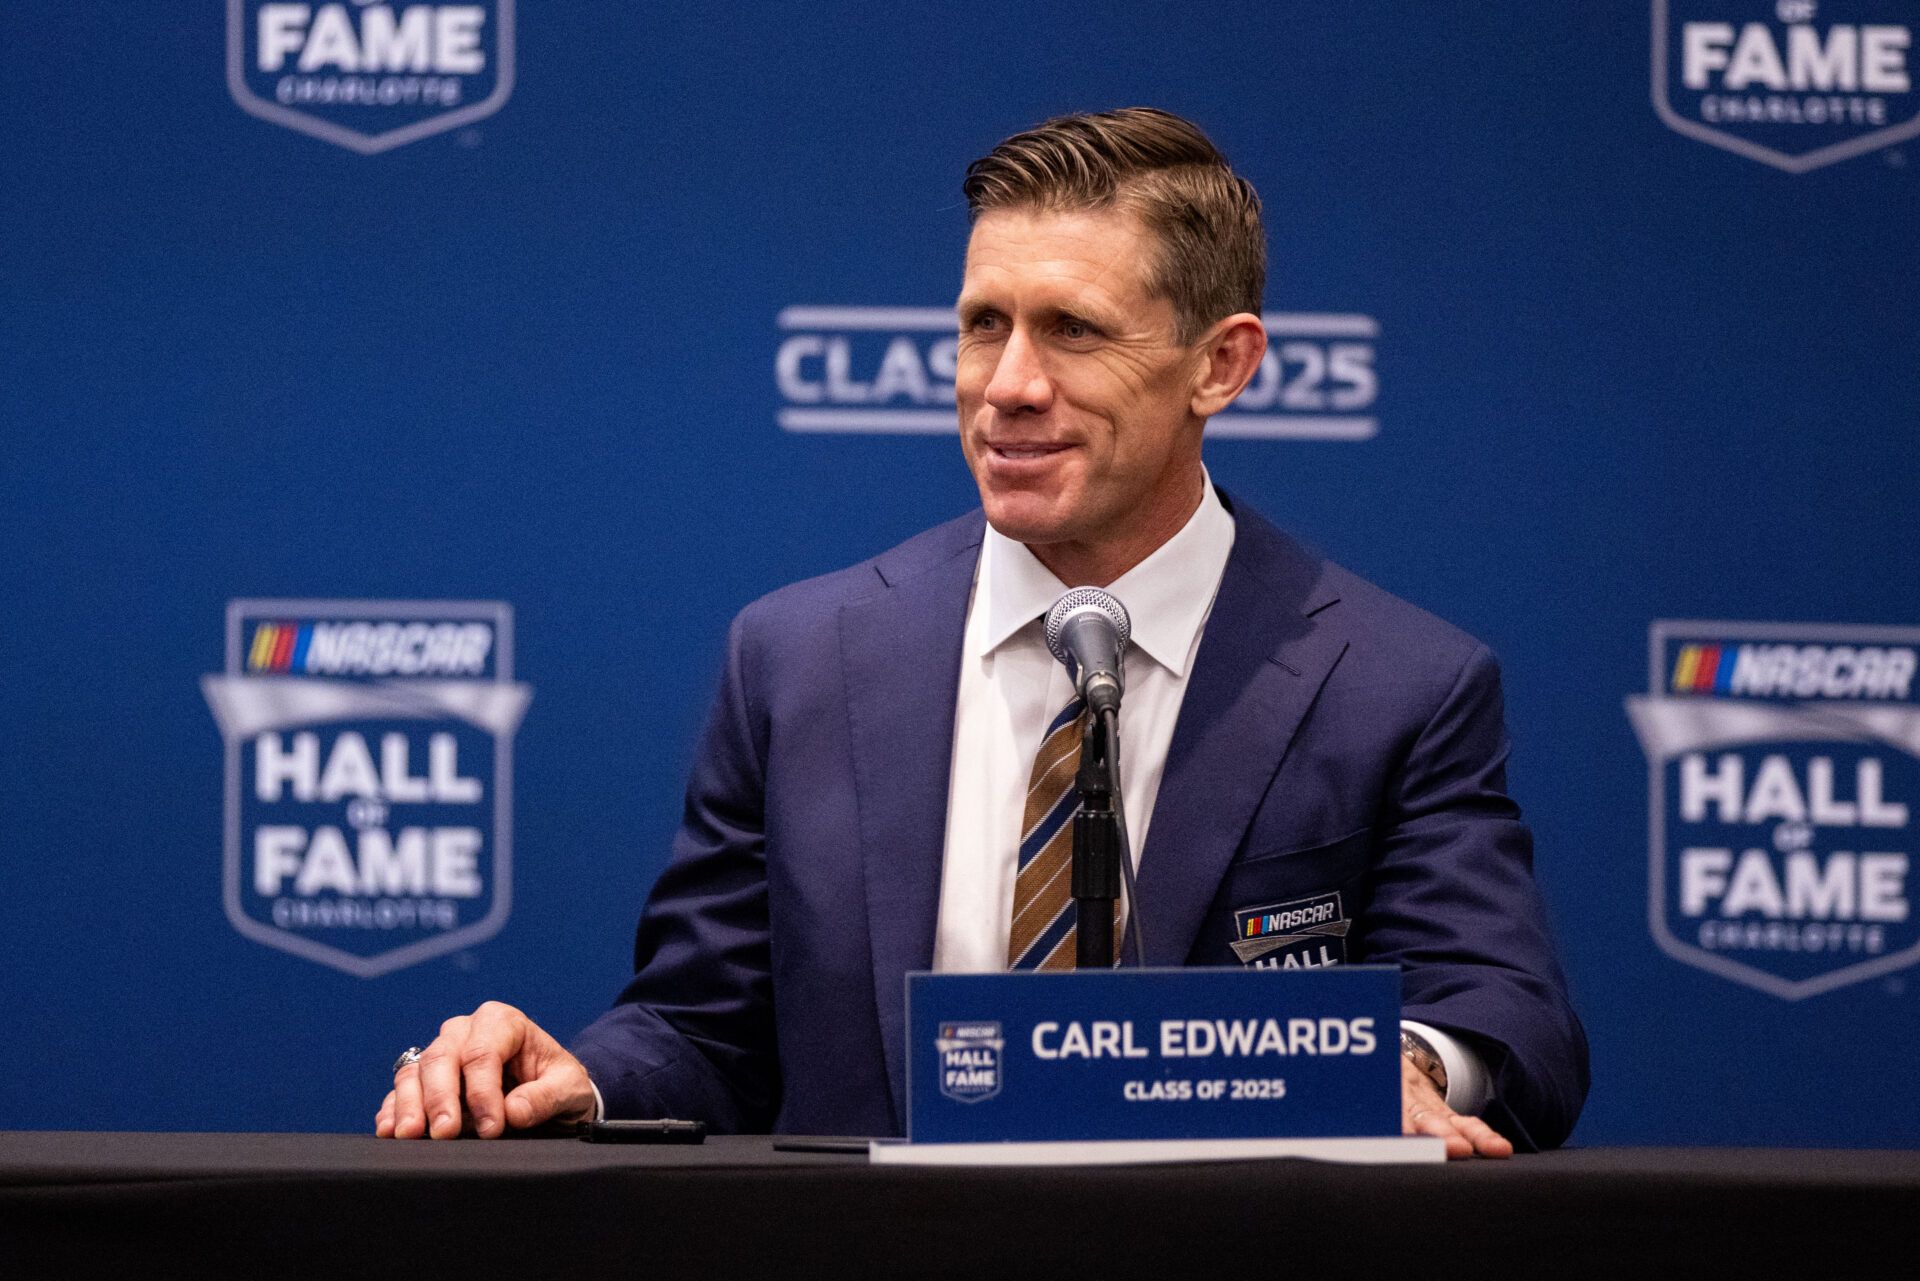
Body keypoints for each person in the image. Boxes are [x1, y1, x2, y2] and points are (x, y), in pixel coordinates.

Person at [376, 108, 1588, 1158]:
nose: (1006, 383)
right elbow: (709, 1026)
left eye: (1072, 329)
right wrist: (578, 1081)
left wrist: (1404, 1063)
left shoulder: (1398, 683)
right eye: (981, 324)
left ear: (1221, 365)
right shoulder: (797, 658)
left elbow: (1508, 1016)